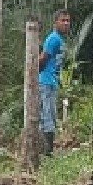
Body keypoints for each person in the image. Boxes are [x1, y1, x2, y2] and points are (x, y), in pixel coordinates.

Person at [32, 13, 73, 149]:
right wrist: (33, 72)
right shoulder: (53, 39)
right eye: (63, 20)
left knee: (51, 115)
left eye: (68, 21)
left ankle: (48, 148)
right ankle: (47, 150)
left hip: (52, 82)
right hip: (45, 81)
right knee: (47, 115)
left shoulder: (60, 39)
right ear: (55, 22)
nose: (66, 23)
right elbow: (43, 59)